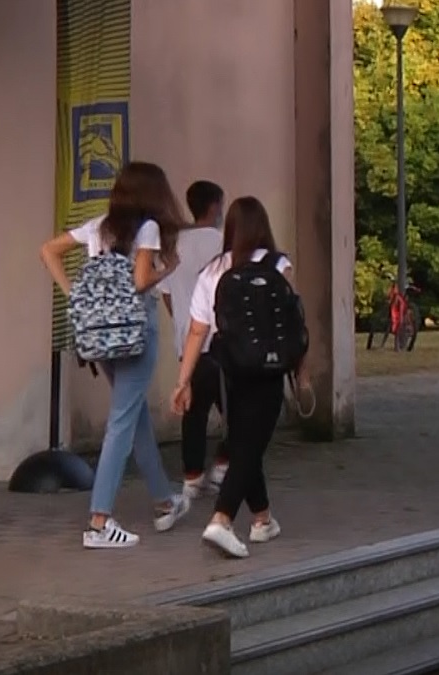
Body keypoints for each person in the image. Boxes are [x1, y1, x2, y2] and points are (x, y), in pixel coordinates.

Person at [40, 161, 189, 549]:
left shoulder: (99, 225)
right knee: (122, 423)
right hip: (136, 332)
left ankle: (163, 500)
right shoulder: (150, 228)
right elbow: (141, 281)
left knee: (134, 416)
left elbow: (48, 251)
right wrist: (167, 268)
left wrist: (75, 294)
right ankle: (99, 521)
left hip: (100, 335)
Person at [170, 196, 308, 559]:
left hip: (228, 370)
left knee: (246, 439)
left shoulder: (213, 271)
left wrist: (183, 381)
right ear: (263, 226)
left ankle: (263, 519)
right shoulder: (279, 264)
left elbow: (197, 331)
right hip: (269, 369)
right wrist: (302, 373)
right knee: (249, 445)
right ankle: (222, 519)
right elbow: (294, 322)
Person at [159, 180, 228, 499]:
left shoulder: (175, 243)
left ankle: (191, 474)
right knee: (239, 409)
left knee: (194, 411)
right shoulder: (223, 242)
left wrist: (182, 323)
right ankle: (224, 463)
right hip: (220, 339)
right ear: (214, 206)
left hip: (187, 341)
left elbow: (167, 295)